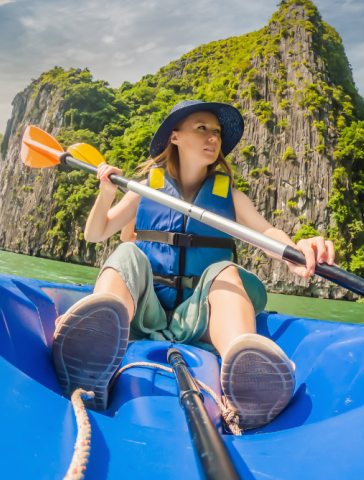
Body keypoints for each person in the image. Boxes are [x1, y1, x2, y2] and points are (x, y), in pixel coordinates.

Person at [52, 100, 335, 430]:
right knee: (126, 253)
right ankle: (92, 361)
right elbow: (96, 232)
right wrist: (105, 192)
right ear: (175, 137)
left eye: (216, 132)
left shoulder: (231, 197)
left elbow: (268, 234)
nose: (213, 138)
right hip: (144, 313)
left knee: (225, 271)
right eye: (202, 128)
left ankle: (242, 378)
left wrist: (298, 250)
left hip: (200, 319)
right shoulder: (145, 188)